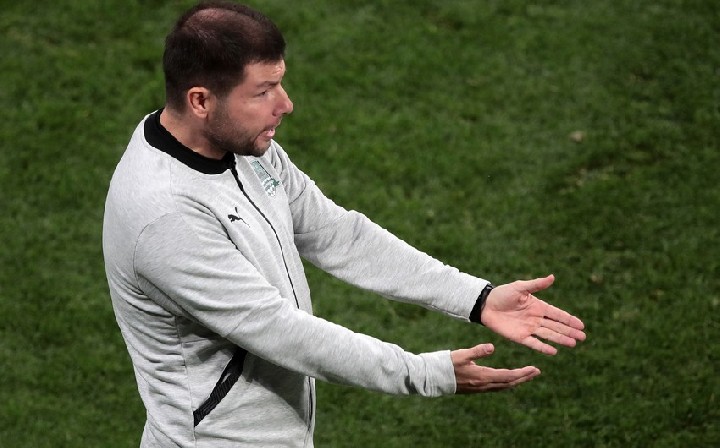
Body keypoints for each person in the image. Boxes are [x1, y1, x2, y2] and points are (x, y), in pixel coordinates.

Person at [102, 1, 586, 446]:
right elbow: (282, 332)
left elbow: (337, 234)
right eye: (263, 92)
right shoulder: (165, 217)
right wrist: (426, 373)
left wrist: (476, 298)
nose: (285, 104)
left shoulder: (244, 147)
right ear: (201, 101)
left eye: (279, 84)